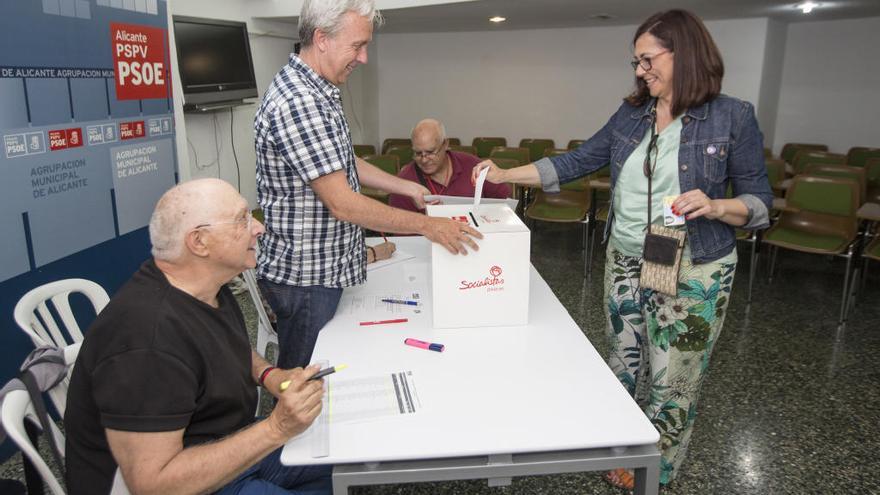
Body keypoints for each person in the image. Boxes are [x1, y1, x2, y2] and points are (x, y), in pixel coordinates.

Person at [473, 9, 772, 488]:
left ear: (684, 53)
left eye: (648, 59)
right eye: (636, 61)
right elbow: (578, 160)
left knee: (673, 371)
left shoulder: (731, 116)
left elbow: (759, 204)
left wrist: (717, 206)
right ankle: (626, 443)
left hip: (694, 262)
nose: (639, 71)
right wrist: (508, 174)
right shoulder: (633, 114)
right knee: (626, 358)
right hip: (630, 256)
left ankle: (660, 466)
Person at [64, 179, 332, 495]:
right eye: (242, 219)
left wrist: (270, 375)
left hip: (224, 440)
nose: (257, 228)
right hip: (182, 480)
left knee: (336, 458)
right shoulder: (146, 339)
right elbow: (153, 485)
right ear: (200, 242)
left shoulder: (205, 286)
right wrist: (276, 429)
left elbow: (223, 345)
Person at [254, 0, 481, 371]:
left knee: (321, 377)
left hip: (322, 271)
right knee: (303, 383)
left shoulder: (318, 89)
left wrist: (408, 187)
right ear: (321, 38)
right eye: (357, 46)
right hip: (306, 278)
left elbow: (340, 160)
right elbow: (343, 203)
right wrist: (429, 226)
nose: (363, 58)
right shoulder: (301, 103)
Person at [389, 118, 510, 212]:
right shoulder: (405, 180)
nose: (424, 160)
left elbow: (504, 202)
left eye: (430, 152)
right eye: (418, 153)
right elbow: (402, 232)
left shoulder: (473, 165)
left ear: (445, 144)